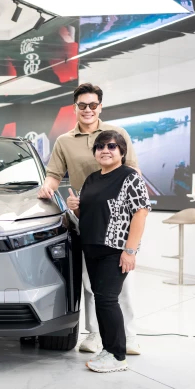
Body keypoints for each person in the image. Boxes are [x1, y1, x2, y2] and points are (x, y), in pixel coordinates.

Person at [37, 83, 142, 355]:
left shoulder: (117, 134)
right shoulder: (64, 141)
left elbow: (133, 171)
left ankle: (128, 335)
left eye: (93, 105)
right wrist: (47, 187)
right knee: (89, 280)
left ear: (100, 107)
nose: (88, 110)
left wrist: (134, 208)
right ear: (75, 108)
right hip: (84, 216)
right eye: (82, 105)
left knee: (121, 279)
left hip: (118, 218)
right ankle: (95, 333)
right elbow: (54, 174)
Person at [67, 130, 150, 372]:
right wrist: (75, 207)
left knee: (107, 300)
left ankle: (116, 355)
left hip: (114, 249)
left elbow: (141, 213)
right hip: (91, 247)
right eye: (100, 147)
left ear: (122, 151)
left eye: (112, 146)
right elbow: (88, 214)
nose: (105, 150)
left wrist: (130, 251)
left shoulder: (130, 177)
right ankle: (108, 349)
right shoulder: (92, 179)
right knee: (101, 299)